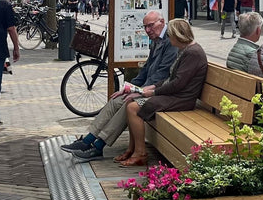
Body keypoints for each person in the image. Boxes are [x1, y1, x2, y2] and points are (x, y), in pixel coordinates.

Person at [61, 11, 177, 161]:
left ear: (162, 22)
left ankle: (98, 146)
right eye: (145, 27)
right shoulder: (156, 39)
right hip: (148, 88)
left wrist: (138, 92)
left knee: (128, 104)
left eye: (151, 26)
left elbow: (161, 74)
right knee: (117, 99)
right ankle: (88, 140)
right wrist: (129, 87)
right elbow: (147, 69)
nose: (148, 30)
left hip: (159, 92)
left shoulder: (170, 41)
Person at [119, 18, 208, 166]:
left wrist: (153, 93)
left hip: (182, 99)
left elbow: (178, 83)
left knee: (133, 107)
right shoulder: (185, 50)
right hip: (175, 94)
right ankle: (133, 148)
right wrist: (152, 87)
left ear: (178, 36)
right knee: (130, 101)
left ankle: (140, 153)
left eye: (170, 35)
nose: (168, 38)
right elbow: (171, 78)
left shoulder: (193, 53)